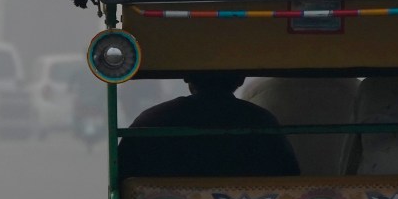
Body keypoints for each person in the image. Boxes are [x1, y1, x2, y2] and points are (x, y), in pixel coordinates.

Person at [118, 72, 299, 179]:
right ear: (240, 79)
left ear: (187, 77)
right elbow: (289, 177)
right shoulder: (262, 122)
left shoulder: (150, 121)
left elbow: (122, 179)